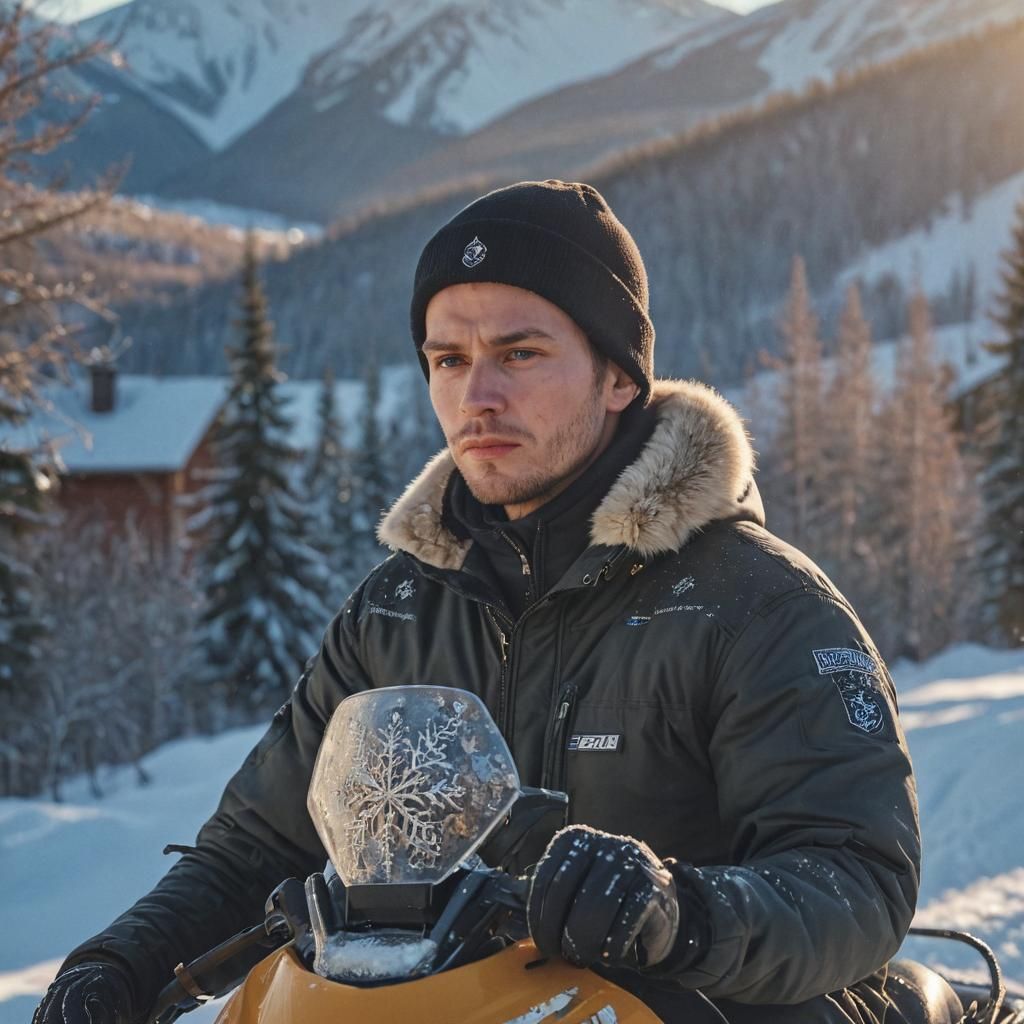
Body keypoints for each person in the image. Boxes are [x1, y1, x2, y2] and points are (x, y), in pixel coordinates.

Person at [36, 180, 928, 1024]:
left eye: (520, 353)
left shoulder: (757, 605)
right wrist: (122, 964)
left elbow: (855, 879)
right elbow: (258, 847)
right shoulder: (395, 613)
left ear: (619, 377)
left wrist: (674, 911)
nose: (478, 395)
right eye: (449, 359)